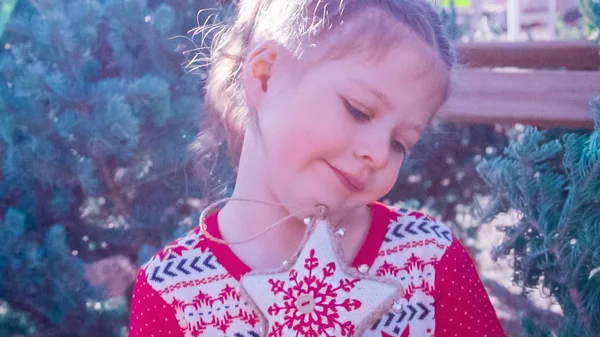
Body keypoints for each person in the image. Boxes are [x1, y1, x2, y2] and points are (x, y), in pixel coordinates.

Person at [129, 0, 506, 336]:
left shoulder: (428, 258)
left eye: (399, 143)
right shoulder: (172, 290)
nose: (377, 153)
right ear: (265, 76)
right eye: (358, 110)